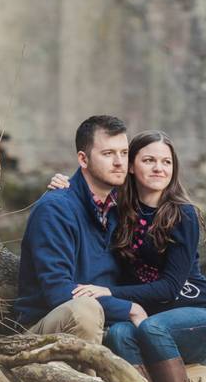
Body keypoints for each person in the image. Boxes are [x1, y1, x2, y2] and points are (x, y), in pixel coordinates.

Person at [49, 131, 206, 382]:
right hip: (148, 321)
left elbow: (169, 287)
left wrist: (109, 292)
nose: (159, 168)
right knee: (119, 334)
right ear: (132, 166)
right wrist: (64, 185)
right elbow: (88, 189)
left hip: (200, 314)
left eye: (166, 162)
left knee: (154, 329)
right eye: (149, 160)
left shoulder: (183, 214)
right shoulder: (120, 208)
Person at [14, 115, 147, 343]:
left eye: (124, 153)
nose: (119, 162)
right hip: (49, 328)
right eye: (108, 154)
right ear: (83, 159)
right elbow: (58, 292)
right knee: (85, 310)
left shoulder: (124, 207)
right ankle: (91, 379)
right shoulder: (55, 209)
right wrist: (130, 309)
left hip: (111, 327)